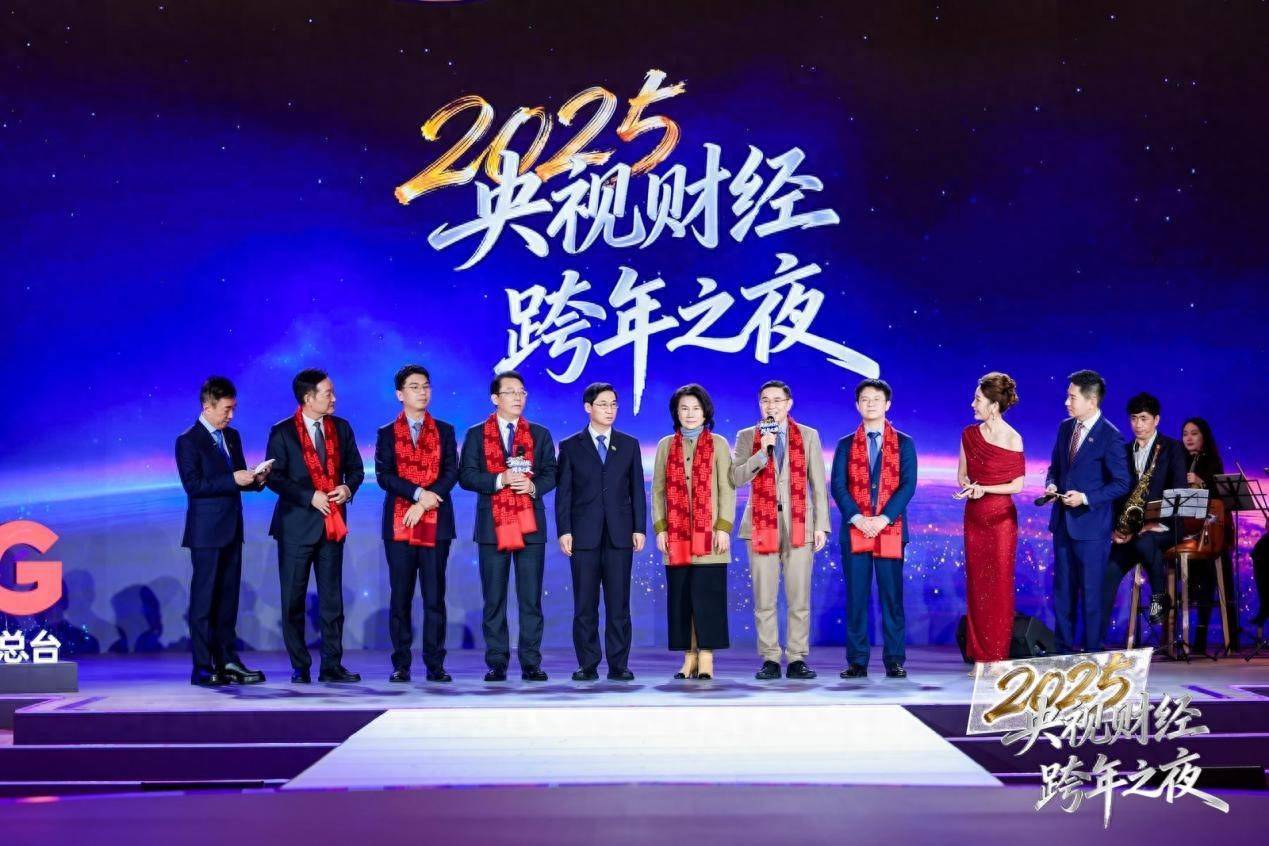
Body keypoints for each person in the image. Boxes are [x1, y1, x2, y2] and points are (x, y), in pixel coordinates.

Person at [264, 369, 365, 684]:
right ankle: (300, 665)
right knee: (293, 600)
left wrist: (347, 488)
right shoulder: (283, 432)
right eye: (328, 393)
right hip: (296, 527)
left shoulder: (341, 428)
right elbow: (275, 478)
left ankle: (332, 665)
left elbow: (356, 469)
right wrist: (309, 496)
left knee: (332, 600)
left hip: (332, 526)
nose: (334, 398)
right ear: (308, 398)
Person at [458, 370, 557, 682]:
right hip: (492, 526)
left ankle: (531, 662)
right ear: (495, 398)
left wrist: (533, 487)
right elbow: (466, 476)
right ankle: (497, 662)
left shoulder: (539, 434)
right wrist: (500, 479)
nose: (518, 397)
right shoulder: (476, 434)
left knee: (530, 599)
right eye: (511, 392)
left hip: (530, 526)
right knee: (494, 598)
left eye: (522, 392)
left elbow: (551, 473)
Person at [175, 376, 270, 687]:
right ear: (208, 406)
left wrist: (257, 479)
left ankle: (228, 660)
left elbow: (238, 479)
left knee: (228, 600)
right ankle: (203, 666)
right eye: (226, 409)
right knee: (205, 601)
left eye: (234, 409)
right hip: (205, 533)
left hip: (231, 529)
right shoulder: (188, 440)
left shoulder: (232, 436)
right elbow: (194, 486)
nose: (231, 415)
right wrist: (233, 479)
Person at [730, 380, 829, 680]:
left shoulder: (808, 435)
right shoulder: (747, 436)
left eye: (776, 400)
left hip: (800, 525)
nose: (770, 406)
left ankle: (797, 657)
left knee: (799, 597)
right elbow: (736, 478)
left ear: (789, 403)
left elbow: (818, 484)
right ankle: (770, 658)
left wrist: (821, 526)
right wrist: (762, 453)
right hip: (761, 525)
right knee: (765, 598)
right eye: (765, 400)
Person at [555, 382, 647, 681]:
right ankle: (588, 663)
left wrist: (639, 527)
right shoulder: (571, 446)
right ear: (588, 407)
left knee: (619, 603)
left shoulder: (629, 444)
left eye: (614, 404)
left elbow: (637, 490)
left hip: (620, 534)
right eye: (603, 404)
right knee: (585, 604)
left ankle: (619, 665)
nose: (610, 410)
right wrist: (564, 530)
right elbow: (564, 494)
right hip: (583, 534)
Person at [375, 365, 458, 683]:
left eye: (426, 386)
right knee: (401, 596)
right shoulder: (386, 433)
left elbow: (451, 472)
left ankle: (435, 665)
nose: (422, 392)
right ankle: (401, 664)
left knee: (435, 597)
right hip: (399, 524)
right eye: (414, 387)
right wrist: (417, 494)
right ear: (400, 394)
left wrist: (424, 502)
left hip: (436, 523)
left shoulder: (445, 430)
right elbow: (385, 476)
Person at [831, 378, 918, 678]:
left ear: (887, 404)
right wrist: (858, 518)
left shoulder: (904, 443)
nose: (870, 404)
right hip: (855, 530)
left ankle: (894, 659)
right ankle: (857, 661)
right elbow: (838, 486)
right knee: (856, 599)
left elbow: (908, 485)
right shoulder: (845, 444)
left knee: (892, 599)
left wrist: (883, 519)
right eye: (865, 399)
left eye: (876, 399)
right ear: (857, 405)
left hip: (890, 530)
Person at [1043, 370, 1131, 654]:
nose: (1066, 402)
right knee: (1063, 594)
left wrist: (1085, 498)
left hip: (1092, 529)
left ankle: (1092, 654)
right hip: (1063, 525)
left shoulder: (1110, 436)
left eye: (1072, 397)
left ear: (1091, 401)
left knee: (1092, 596)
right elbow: (1055, 468)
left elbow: (1121, 483)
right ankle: (1062, 654)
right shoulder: (1065, 428)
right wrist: (1052, 484)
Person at [652, 384, 736, 681]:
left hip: (709, 535)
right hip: (677, 536)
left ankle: (707, 657)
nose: (690, 414)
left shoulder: (719, 444)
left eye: (696, 408)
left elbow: (727, 489)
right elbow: (658, 491)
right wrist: (661, 528)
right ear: (676, 412)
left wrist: (723, 527)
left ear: (705, 412)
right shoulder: (665, 445)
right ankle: (688, 658)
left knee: (708, 597)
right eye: (684, 408)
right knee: (682, 599)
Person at [1102, 393, 1188, 637]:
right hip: (1133, 533)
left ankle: (1159, 596)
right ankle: (1094, 640)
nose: (1137, 424)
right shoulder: (1123, 451)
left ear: (1156, 420)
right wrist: (1117, 530)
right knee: (1108, 573)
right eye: (1133, 418)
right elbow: (1116, 495)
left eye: (1143, 418)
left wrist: (1150, 523)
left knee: (1145, 541)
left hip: (1165, 527)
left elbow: (1179, 491)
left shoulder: (1172, 448)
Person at [957, 372, 1025, 664]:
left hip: (1001, 520)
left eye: (978, 400)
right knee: (977, 586)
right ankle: (978, 654)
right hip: (974, 517)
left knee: (999, 587)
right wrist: (968, 487)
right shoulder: (969, 434)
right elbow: (962, 475)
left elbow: (1017, 485)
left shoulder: (1013, 438)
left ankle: (996, 657)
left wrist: (985, 489)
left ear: (994, 405)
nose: (973, 404)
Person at [1181, 417, 1237, 652]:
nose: (1189, 438)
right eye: (1185, 433)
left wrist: (1201, 482)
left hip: (1212, 530)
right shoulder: (1180, 461)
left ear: (1204, 436)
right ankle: (1173, 635)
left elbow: (1220, 498)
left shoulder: (1213, 461)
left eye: (1194, 433)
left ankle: (1208, 637)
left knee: (1210, 578)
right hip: (1186, 530)